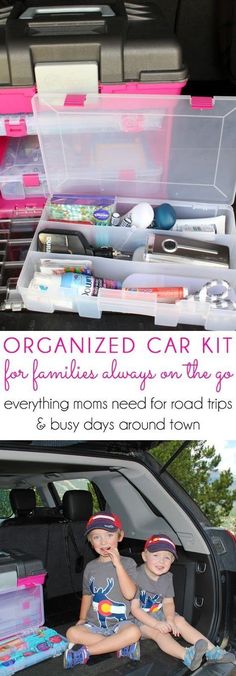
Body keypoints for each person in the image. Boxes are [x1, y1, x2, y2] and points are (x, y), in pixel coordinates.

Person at [131, 534, 235, 672]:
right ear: (144, 556)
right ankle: (187, 656)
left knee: (180, 620)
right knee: (160, 633)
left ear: (172, 561)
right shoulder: (135, 576)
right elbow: (134, 609)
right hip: (138, 619)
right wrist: (157, 624)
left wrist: (170, 619)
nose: (161, 561)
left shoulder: (167, 577)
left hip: (158, 613)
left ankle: (213, 652)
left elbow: (168, 603)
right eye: (155, 555)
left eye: (167, 557)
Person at [64, 511, 141, 669]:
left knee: (134, 632)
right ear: (91, 542)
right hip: (95, 625)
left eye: (109, 535)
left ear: (120, 536)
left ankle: (86, 652)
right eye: (96, 537)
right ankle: (120, 646)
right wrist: (82, 618)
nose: (103, 541)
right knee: (71, 633)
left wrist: (117, 564)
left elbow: (129, 594)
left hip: (122, 624)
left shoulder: (128, 563)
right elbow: (87, 594)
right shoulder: (90, 567)